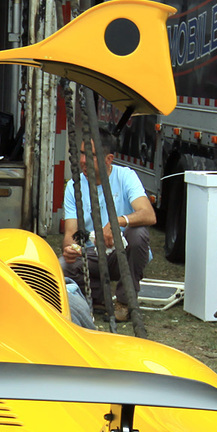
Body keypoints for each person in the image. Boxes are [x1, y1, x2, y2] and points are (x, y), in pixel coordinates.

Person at [60, 132, 156, 329]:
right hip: (93, 254)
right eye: (81, 153)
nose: (83, 161)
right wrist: (70, 248)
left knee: (138, 234)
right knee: (62, 266)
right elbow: (70, 233)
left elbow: (148, 214)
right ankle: (99, 298)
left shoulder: (125, 176)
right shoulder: (74, 186)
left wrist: (117, 222)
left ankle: (125, 301)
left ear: (108, 159)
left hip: (123, 252)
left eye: (90, 155)